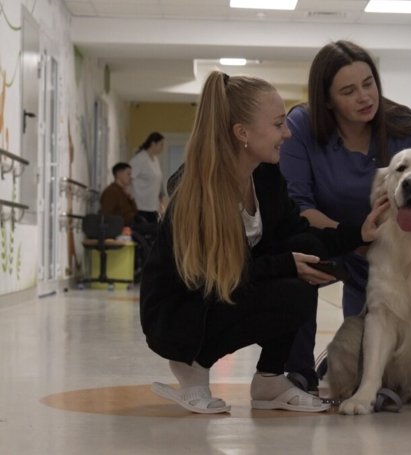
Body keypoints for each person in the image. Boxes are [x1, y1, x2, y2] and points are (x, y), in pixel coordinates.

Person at [139, 71, 389, 414]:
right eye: (278, 124)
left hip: (229, 287)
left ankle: (270, 379)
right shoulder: (196, 192)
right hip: (181, 311)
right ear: (242, 133)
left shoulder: (266, 176)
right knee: (291, 270)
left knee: (305, 257)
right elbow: (208, 276)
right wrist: (286, 265)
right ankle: (191, 364)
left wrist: (358, 233)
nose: (287, 133)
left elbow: (297, 232)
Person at [279, 40, 411, 392]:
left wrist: (382, 246)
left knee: (369, 352)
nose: (365, 97)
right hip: (332, 241)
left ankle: (383, 370)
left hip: (389, 250)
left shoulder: (407, 128)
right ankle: (297, 371)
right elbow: (297, 208)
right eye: (349, 91)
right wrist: (354, 238)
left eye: (369, 84)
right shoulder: (302, 126)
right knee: (296, 253)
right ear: (326, 100)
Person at [129, 131, 166, 223]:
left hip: (153, 206)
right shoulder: (140, 159)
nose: (163, 147)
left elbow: (158, 181)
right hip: (140, 206)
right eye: (161, 144)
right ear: (153, 144)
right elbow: (129, 178)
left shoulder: (155, 160)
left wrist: (161, 202)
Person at [99, 162, 138, 226]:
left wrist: (130, 197)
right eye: (128, 174)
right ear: (119, 174)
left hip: (131, 227)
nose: (131, 177)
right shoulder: (111, 192)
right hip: (120, 230)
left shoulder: (123, 192)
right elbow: (106, 217)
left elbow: (135, 213)